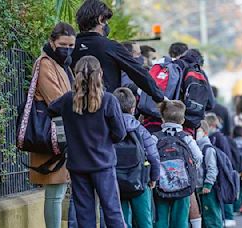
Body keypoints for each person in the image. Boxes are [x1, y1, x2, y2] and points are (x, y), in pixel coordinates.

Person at [48, 56, 127, 227]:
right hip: (103, 163)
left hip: (78, 164)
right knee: (112, 210)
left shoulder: (68, 100)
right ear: (101, 74)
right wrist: (105, 140)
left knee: (84, 214)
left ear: (76, 74)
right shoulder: (108, 100)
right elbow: (120, 133)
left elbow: (51, 109)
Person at [27, 22, 75, 228]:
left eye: (72, 46)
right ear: (52, 42)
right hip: (53, 134)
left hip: (62, 133)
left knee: (59, 191)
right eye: (64, 44)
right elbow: (57, 99)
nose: (68, 49)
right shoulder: (46, 63)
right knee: (55, 193)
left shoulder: (62, 65)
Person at [72, 0, 164, 104]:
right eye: (107, 21)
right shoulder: (110, 46)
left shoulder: (70, 47)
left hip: (75, 107)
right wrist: (160, 97)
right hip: (106, 107)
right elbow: (138, 73)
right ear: (100, 19)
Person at [113, 87, 160, 228]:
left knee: (121, 220)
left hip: (116, 181)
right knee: (144, 220)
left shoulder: (109, 128)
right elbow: (153, 156)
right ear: (133, 108)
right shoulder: (141, 130)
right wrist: (154, 177)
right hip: (139, 180)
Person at [153, 100, 203, 228]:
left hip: (161, 186)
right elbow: (198, 156)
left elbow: (150, 156)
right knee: (181, 219)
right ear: (182, 121)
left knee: (161, 219)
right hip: (183, 186)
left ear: (162, 118)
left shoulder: (155, 138)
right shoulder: (186, 138)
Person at [196, 120, 223, 228]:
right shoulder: (196, 146)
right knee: (203, 216)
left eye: (199, 131)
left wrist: (208, 183)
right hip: (199, 188)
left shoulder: (207, 149)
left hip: (207, 188)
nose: (196, 133)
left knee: (211, 216)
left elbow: (212, 168)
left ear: (205, 132)